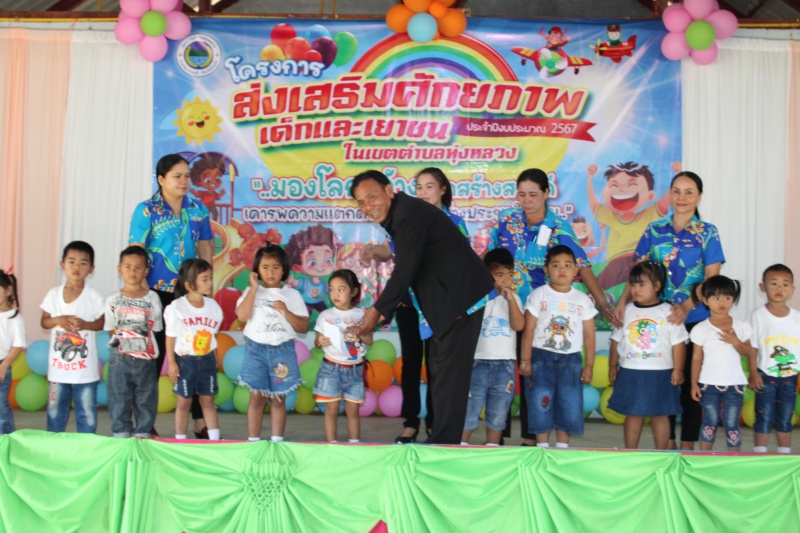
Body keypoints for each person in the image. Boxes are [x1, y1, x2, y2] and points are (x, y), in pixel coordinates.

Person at [351, 170, 494, 445]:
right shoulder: (400, 215)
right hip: (444, 304)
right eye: (361, 202)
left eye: (372, 197)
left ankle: (444, 447)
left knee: (450, 379)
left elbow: (405, 269)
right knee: (440, 373)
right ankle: (441, 442)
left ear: (389, 190)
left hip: (461, 301)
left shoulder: (407, 214)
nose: (368, 206)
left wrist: (376, 311)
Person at [490, 168, 617, 446]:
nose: (526, 200)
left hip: (538, 312)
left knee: (532, 377)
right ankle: (495, 437)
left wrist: (602, 302)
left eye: (533, 194)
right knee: (500, 371)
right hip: (503, 307)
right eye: (522, 194)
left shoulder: (558, 227)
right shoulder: (506, 220)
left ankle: (531, 438)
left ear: (547, 193)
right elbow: (489, 259)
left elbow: (582, 265)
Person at [615, 171, 724, 450]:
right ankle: (668, 445)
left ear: (699, 196)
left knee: (689, 384)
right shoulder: (654, 230)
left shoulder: (708, 232)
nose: (682, 197)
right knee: (664, 382)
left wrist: (687, 306)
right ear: (670, 194)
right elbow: (637, 273)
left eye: (689, 192)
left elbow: (711, 279)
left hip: (695, 318)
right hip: (657, 319)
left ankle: (687, 445)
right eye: (676, 191)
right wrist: (622, 302)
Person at [129, 153, 213, 438]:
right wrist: (139, 293)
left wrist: (207, 287)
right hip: (155, 293)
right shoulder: (146, 210)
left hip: (189, 295)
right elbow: (136, 252)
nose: (184, 181)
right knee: (152, 357)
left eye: (187, 176)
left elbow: (205, 248)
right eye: (177, 176)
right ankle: (144, 421)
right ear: (161, 179)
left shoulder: (198, 209)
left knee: (195, 355)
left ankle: (200, 421)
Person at [519, 245, 596, 448]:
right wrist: (525, 360)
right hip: (541, 358)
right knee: (540, 400)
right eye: (556, 265)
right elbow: (528, 330)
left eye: (568, 265)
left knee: (569, 403)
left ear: (576, 270)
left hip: (571, 361)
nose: (562, 269)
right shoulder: (539, 295)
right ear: (546, 270)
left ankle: (562, 447)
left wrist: (589, 366)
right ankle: (542, 447)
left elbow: (589, 335)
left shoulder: (583, 300)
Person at [608, 261, 687, 449]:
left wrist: (678, 370)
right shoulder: (627, 311)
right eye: (633, 285)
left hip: (661, 373)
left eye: (642, 284)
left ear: (657, 286)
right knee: (633, 414)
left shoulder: (669, 312)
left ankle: (661, 454)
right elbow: (616, 340)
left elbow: (678, 343)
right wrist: (612, 366)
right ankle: (631, 452)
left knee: (660, 414)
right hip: (631, 372)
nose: (636, 290)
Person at [235, 244, 309, 442]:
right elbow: (242, 316)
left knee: (278, 398)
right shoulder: (251, 291)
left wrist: (286, 312)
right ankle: (253, 442)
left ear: (284, 270)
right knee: (256, 397)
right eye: (265, 267)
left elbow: (303, 327)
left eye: (276, 267)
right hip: (255, 351)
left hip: (282, 352)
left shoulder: (292, 295)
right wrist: (253, 289)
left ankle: (277, 442)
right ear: (257, 270)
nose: (270, 272)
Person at [40, 241, 105, 434]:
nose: (77, 267)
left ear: (91, 268)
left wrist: (86, 325)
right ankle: (54, 444)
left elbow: (103, 323)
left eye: (83, 263)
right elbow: (44, 322)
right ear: (62, 264)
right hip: (57, 372)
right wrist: (58, 320)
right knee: (55, 412)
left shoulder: (93, 297)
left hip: (85, 372)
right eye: (72, 261)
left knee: (86, 413)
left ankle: (86, 445)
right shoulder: (53, 295)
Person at [461, 248, 524, 446]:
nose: (505, 280)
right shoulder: (479, 299)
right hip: (478, 362)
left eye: (509, 275)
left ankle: (493, 447)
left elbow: (519, 326)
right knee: (470, 408)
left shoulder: (514, 300)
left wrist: (510, 300)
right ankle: (461, 447)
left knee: (498, 412)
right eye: (499, 275)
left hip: (505, 365)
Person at [105, 246, 163, 438]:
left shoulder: (152, 297)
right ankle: (121, 435)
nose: (133, 271)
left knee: (146, 398)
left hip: (146, 358)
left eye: (138, 267)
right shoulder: (113, 299)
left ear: (146, 271)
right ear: (119, 269)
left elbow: (156, 328)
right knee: (119, 398)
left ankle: (143, 434)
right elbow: (110, 328)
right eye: (128, 266)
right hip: (120, 358)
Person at [689, 275, 751, 452]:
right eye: (716, 298)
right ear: (705, 300)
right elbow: (696, 358)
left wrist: (735, 341)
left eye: (727, 297)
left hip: (734, 384)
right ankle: (705, 456)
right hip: (708, 383)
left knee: (731, 422)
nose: (722, 302)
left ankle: (734, 457)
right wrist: (694, 384)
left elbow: (749, 352)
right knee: (709, 421)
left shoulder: (741, 325)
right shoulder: (701, 328)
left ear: (733, 299)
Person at [312, 269, 373, 443]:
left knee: (353, 411)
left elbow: (369, 340)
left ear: (353, 292)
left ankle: (354, 445)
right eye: (331, 289)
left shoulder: (361, 315)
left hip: (355, 370)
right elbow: (317, 341)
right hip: (331, 369)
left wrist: (360, 331)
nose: (335, 294)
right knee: (331, 410)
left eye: (341, 289)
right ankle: (332, 445)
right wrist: (320, 341)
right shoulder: (325, 315)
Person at [165, 259, 223, 441]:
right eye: (204, 279)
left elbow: (212, 335)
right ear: (189, 285)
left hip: (207, 360)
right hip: (186, 361)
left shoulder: (213, 307)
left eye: (210, 278)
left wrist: (214, 356)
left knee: (208, 400)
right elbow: (171, 336)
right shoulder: (176, 308)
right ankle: (180, 439)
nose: (210, 283)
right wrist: (172, 363)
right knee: (183, 402)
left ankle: (215, 439)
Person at [749, 264, 800, 454]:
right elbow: (753, 347)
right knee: (763, 414)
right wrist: (753, 372)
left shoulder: (797, 318)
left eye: (785, 284)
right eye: (773, 283)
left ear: (792, 289)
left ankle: (784, 454)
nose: (779, 288)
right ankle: (760, 452)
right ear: (762, 287)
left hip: (790, 377)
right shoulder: (758, 315)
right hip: (765, 375)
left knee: (786, 416)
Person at [0, 270, 24, 434]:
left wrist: (5, 365)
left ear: (8, 290)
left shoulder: (14, 318)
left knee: (1, 407)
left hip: (2, 364)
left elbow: (18, 345)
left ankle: (7, 440)